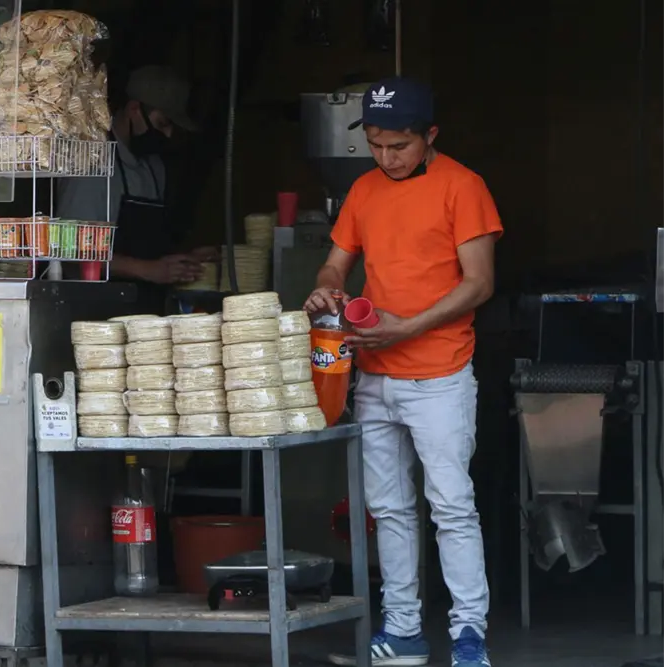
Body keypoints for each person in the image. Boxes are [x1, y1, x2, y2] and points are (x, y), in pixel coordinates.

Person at [306, 78, 500, 667]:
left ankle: (470, 636)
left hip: (439, 375)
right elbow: (337, 263)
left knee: (451, 506)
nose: (386, 158)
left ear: (430, 135)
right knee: (388, 508)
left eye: (399, 146)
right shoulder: (364, 190)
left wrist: (406, 327)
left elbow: (480, 283)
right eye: (375, 144)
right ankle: (404, 631)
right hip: (375, 376)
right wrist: (326, 288)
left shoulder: (463, 187)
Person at [57, 65, 214, 313]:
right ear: (134, 110)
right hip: (97, 311)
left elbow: (149, 248)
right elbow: (70, 254)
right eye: (162, 123)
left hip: (148, 313)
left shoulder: (154, 167)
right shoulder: (92, 163)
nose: (168, 134)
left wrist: (184, 261)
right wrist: (147, 270)